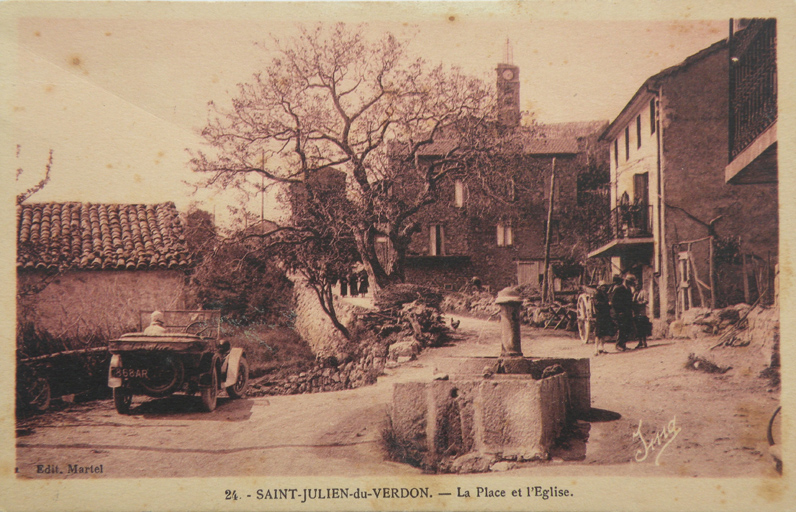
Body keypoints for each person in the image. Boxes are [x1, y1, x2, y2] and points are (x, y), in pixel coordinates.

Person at [610, 275, 634, 351]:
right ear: (625, 281)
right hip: (620, 312)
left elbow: (630, 301)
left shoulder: (628, 289)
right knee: (621, 328)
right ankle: (618, 345)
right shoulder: (619, 289)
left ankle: (623, 344)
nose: (630, 284)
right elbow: (614, 302)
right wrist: (619, 311)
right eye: (629, 282)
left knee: (627, 328)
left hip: (627, 312)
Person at [593, 280, 614, 356]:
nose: (604, 288)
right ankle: (595, 349)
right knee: (598, 333)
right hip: (600, 315)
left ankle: (602, 347)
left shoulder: (605, 294)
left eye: (604, 286)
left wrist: (609, 305)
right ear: (599, 287)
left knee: (604, 332)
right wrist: (606, 304)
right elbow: (596, 303)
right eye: (602, 286)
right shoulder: (597, 294)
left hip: (605, 315)